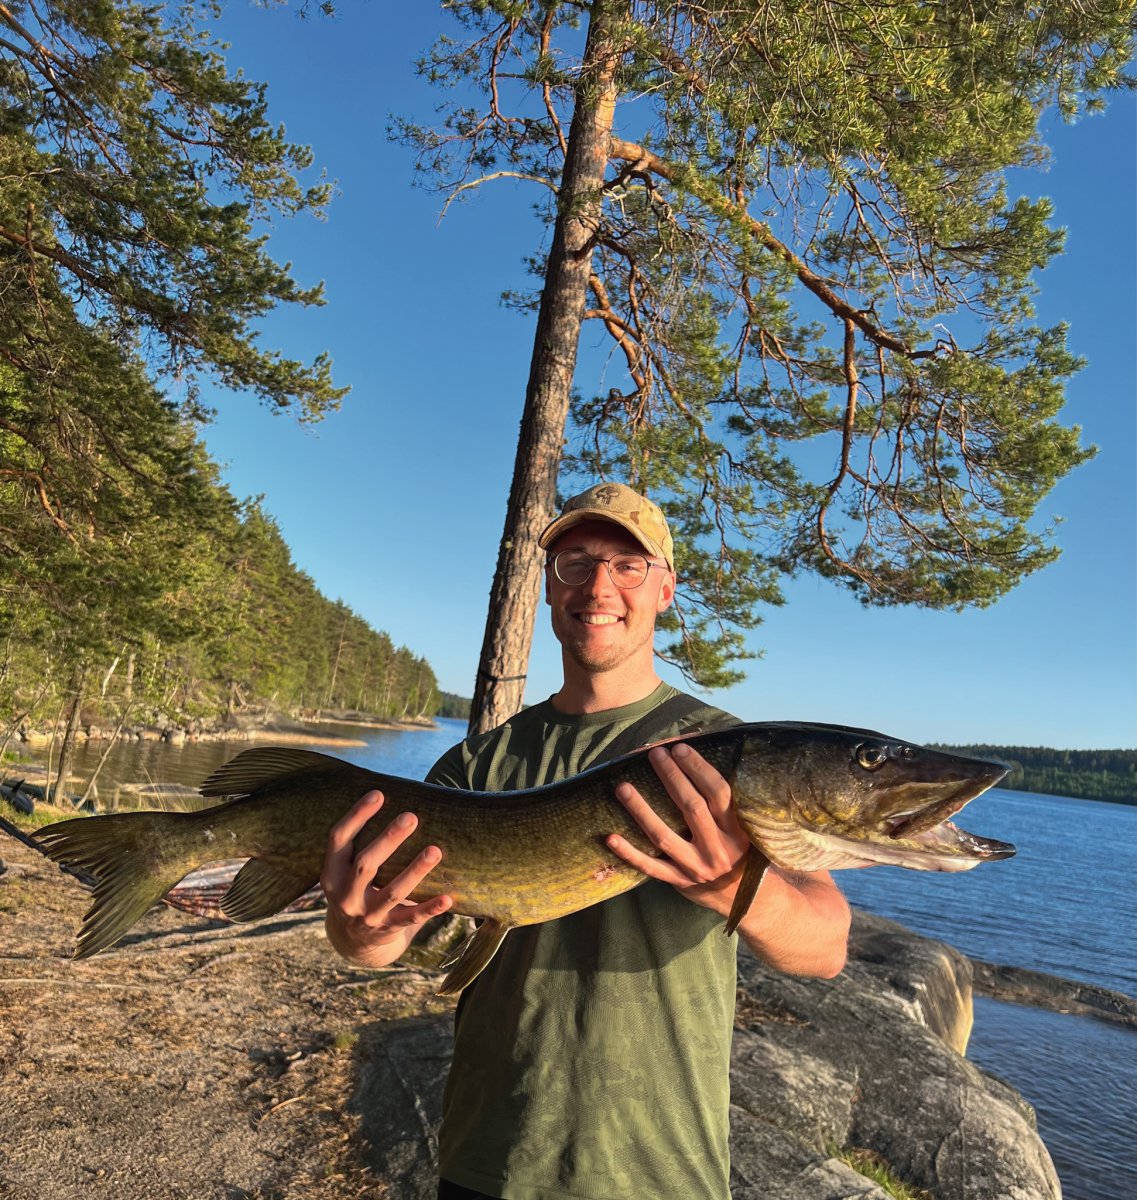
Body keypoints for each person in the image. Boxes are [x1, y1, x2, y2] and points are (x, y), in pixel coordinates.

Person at [321, 482, 852, 1200]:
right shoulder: (476, 766)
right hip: (491, 1157)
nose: (599, 585)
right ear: (550, 587)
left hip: (660, 1172)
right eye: (575, 563)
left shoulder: (731, 755)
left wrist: (735, 890)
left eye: (628, 565)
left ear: (665, 589)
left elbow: (824, 948)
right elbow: (384, 944)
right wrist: (361, 930)